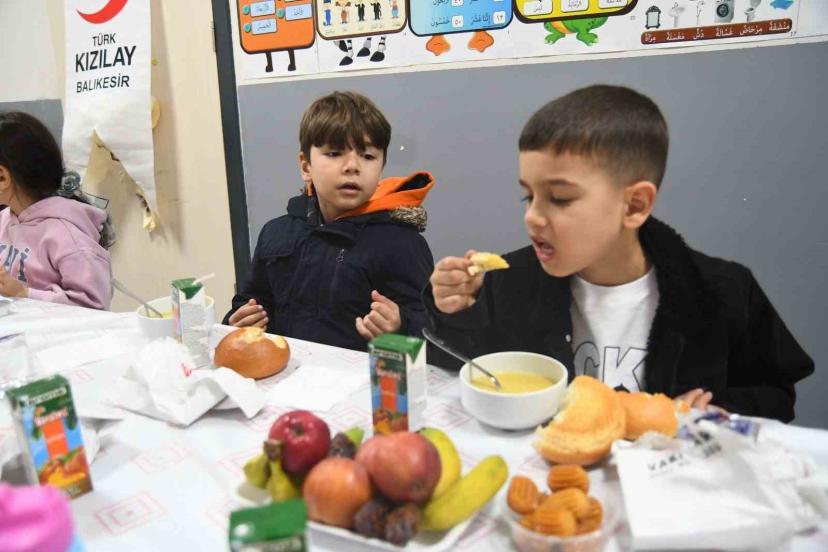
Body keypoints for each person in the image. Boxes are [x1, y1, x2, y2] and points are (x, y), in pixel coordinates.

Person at [425, 85, 813, 422]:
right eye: (528, 196)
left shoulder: (723, 291)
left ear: (634, 206)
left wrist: (720, 411)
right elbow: (459, 369)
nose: (532, 216)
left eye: (559, 198)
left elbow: (776, 394)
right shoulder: (509, 283)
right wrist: (456, 311)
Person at [224, 91, 434, 351]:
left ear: (381, 169)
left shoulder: (402, 243)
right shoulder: (276, 233)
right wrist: (238, 321)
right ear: (306, 167)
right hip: (288, 372)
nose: (352, 166)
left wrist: (400, 326)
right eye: (334, 153)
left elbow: (432, 331)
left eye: (368, 156)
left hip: (363, 375)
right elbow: (252, 300)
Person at [0, 112, 113, 309]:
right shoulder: (5, 219)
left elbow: (94, 307)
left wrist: (23, 294)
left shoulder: (66, 235)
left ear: (2, 178)